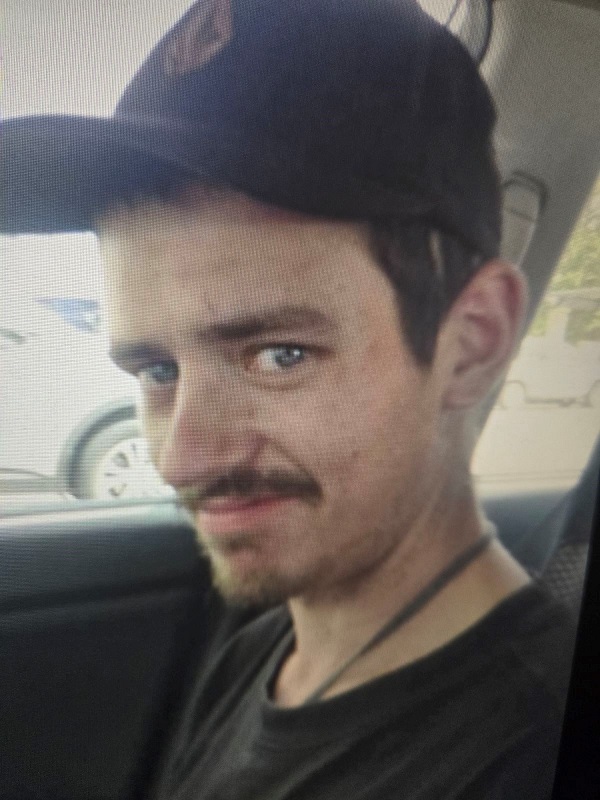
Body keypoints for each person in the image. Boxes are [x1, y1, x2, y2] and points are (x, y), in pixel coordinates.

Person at [2, 0, 577, 797]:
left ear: (471, 341)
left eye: (279, 355)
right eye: (158, 370)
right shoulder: (270, 645)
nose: (182, 459)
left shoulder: (529, 753)